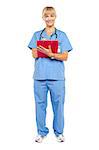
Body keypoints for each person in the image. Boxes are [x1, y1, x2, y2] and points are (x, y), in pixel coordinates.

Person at [28, 6, 73, 143]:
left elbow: (65, 56)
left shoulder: (62, 35)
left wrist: (51, 54)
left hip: (57, 78)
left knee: (58, 105)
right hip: (40, 77)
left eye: (52, 15)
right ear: (43, 18)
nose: (49, 18)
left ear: (55, 17)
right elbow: (34, 53)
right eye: (46, 16)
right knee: (40, 105)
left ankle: (59, 132)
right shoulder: (37, 35)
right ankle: (41, 132)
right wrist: (40, 51)